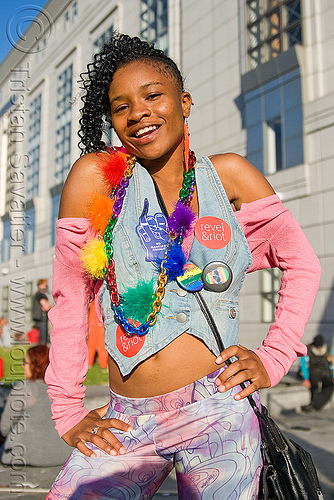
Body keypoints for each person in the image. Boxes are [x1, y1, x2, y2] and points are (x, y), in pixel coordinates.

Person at [45, 33, 321, 499]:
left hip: (219, 411)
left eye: (153, 95)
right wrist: (69, 412)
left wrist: (273, 358)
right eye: (120, 106)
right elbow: (71, 303)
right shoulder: (95, 179)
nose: (138, 113)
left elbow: (303, 263)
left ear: (184, 101)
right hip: (125, 421)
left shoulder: (229, 177)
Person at [0, 345, 70, 466]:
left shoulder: (24, 389)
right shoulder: (63, 388)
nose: (22, 366)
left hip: (24, 455)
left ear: (35, 365)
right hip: (61, 453)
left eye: (25, 362)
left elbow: (5, 427)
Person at [300, 334, 334, 412]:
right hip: (313, 373)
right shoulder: (307, 350)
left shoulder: (328, 349)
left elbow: (332, 363)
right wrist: (305, 378)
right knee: (314, 385)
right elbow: (304, 365)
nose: (319, 348)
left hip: (326, 373)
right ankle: (314, 406)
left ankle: (314, 405)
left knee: (330, 386)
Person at [87, 299, 108, 369]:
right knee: (92, 342)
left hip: (98, 309)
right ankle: (90, 362)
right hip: (95, 312)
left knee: (101, 342)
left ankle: (103, 364)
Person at [32, 278, 51, 344]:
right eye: (45, 285)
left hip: (39, 318)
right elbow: (47, 307)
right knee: (43, 338)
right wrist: (48, 306)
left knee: (41, 338)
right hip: (41, 318)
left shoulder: (37, 294)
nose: (46, 287)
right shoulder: (40, 295)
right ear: (40, 285)